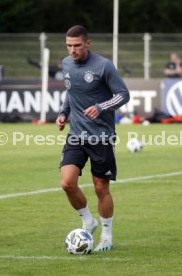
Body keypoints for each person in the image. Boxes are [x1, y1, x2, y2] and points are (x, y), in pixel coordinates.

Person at [55, 25, 130, 252]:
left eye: (77, 45)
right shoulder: (66, 64)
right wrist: (63, 113)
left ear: (88, 43)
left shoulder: (103, 66)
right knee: (67, 183)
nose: (72, 50)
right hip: (76, 134)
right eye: (69, 45)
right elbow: (71, 92)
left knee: (100, 188)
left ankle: (106, 236)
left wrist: (100, 107)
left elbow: (123, 94)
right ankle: (88, 221)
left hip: (101, 136)